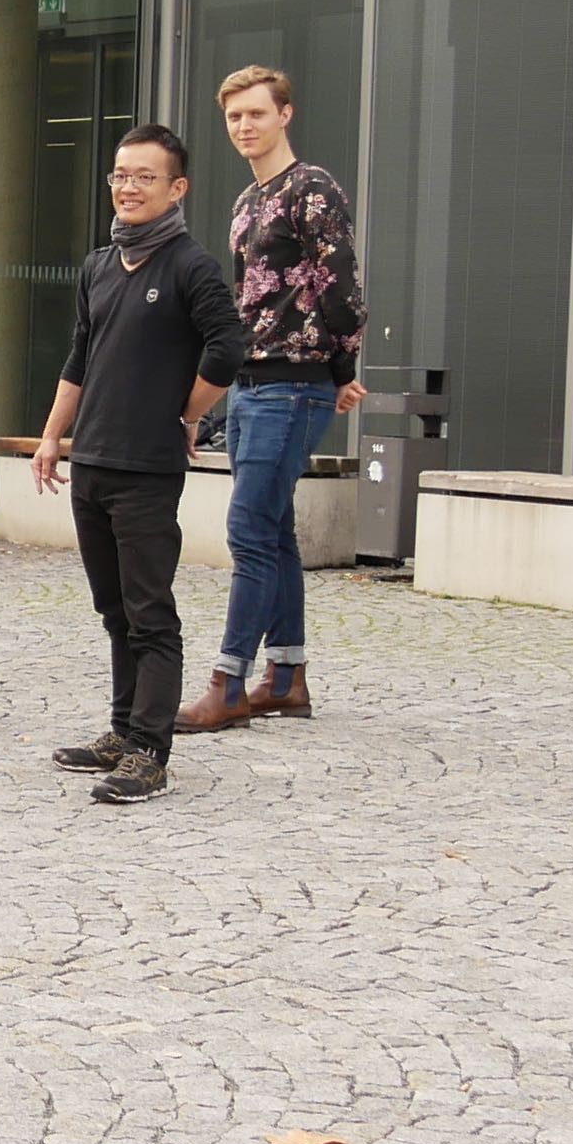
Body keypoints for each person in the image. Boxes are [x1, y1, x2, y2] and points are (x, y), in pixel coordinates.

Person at [32, 124, 243, 805]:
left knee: (151, 612)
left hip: (147, 468)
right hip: (90, 460)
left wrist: (185, 413)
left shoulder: (191, 266)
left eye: (144, 176)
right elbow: (79, 362)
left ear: (176, 187)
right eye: (121, 175)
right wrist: (50, 436)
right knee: (114, 608)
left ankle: (150, 749)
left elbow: (227, 350)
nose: (128, 187)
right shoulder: (98, 266)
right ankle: (122, 731)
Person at [181, 65, 366, 732]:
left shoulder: (311, 188)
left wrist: (342, 368)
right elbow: (248, 301)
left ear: (284, 114)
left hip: (294, 383)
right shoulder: (245, 203)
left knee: (249, 530)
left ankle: (227, 682)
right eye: (234, 116)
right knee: (275, 531)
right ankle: (285, 677)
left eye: (256, 113)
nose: (244, 125)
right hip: (255, 381)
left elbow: (340, 285)